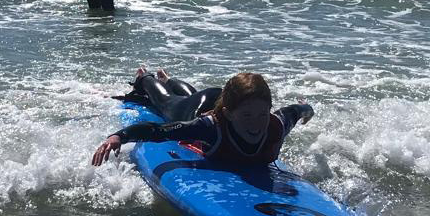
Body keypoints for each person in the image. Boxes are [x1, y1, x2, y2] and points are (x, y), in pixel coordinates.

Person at [92, 69, 313, 167]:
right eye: (247, 116)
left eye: (262, 114)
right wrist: (119, 137)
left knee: (189, 95)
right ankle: (146, 78)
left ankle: (169, 78)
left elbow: (295, 111)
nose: (256, 122)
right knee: (168, 102)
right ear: (227, 114)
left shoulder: (276, 125)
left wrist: (307, 109)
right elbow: (159, 131)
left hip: (226, 98)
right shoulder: (209, 127)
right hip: (198, 108)